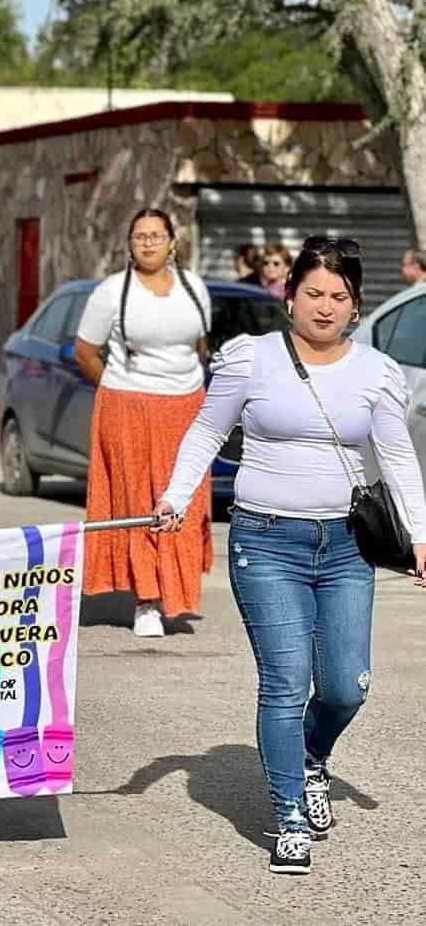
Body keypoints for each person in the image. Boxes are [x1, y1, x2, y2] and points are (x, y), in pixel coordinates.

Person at [154, 236, 426, 875]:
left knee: (345, 687)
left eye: (339, 296)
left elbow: (399, 459)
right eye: (314, 294)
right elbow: (206, 431)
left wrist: (421, 533)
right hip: (265, 540)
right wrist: (175, 496)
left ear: (356, 307)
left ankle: (311, 758)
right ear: (289, 295)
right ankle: (289, 818)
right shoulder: (250, 360)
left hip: (345, 547)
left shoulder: (375, 373)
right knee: (284, 680)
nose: (325, 307)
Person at [74, 208, 211, 638]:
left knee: (184, 500)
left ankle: (178, 592)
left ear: (173, 242)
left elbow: (200, 346)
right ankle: (146, 599)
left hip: (187, 405)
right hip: (129, 406)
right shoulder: (112, 292)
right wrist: (118, 391)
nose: (148, 242)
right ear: (130, 245)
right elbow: (85, 351)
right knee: (140, 503)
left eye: (157, 235)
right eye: (139, 236)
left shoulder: (195, 287)